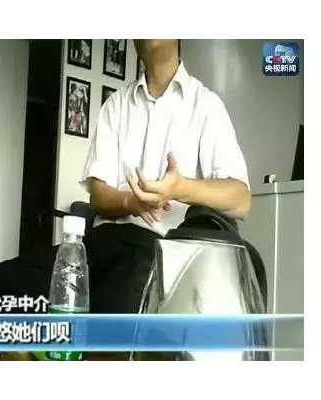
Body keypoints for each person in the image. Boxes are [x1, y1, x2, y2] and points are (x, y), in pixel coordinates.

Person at [82, 39, 251, 313]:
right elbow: (98, 196)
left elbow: (241, 200)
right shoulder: (116, 104)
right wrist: (131, 202)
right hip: (101, 244)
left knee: (120, 302)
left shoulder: (206, 105)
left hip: (161, 252)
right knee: (11, 282)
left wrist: (179, 188)